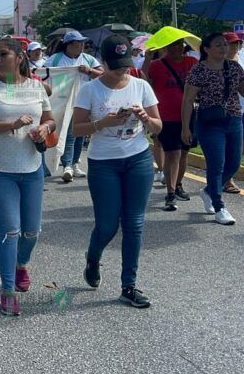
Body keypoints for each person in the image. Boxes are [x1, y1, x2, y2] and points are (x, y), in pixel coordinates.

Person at [71, 35, 162, 309]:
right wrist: (104, 122)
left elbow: (158, 126)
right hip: (103, 163)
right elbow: (77, 129)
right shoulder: (90, 90)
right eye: (116, 65)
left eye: (126, 64)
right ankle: (93, 257)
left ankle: (128, 286)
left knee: (134, 224)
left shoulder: (140, 85)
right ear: (103, 62)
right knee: (108, 225)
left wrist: (146, 119)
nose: (122, 70)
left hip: (138, 159)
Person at [0, 38, 55, 316]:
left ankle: (21, 264)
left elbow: (50, 118)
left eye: (2, 55)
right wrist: (11, 124)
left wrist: (44, 128)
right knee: (10, 231)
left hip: (31, 168)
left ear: (19, 57)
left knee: (32, 232)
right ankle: (7, 291)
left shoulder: (36, 86)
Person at [181, 32, 244, 226]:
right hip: (210, 122)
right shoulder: (199, 70)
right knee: (216, 164)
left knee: (234, 163)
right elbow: (188, 100)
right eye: (218, 45)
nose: (224, 48)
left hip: (234, 119)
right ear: (206, 49)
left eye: (225, 45)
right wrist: (185, 127)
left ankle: (208, 191)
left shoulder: (234, 67)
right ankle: (219, 206)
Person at [146, 37, 198, 211]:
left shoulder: (192, 62)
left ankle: (178, 184)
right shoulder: (156, 65)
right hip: (165, 116)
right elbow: (143, 81)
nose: (176, 48)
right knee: (172, 154)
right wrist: (147, 58)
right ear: (165, 47)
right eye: (171, 45)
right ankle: (170, 192)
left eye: (179, 45)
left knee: (183, 153)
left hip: (187, 115)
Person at [46, 30, 103, 182]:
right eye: (79, 43)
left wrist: (90, 71)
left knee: (80, 133)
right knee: (69, 133)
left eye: (83, 43)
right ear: (68, 45)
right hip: (63, 101)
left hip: (84, 102)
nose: (82, 46)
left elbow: (103, 74)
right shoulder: (56, 59)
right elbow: (43, 74)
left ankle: (75, 163)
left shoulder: (88, 59)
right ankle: (67, 165)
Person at [223, 32, 244, 194]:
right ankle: (227, 179)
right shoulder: (220, 63)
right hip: (228, 110)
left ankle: (226, 171)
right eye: (231, 43)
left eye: (237, 43)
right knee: (230, 146)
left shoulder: (243, 59)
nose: (235, 46)